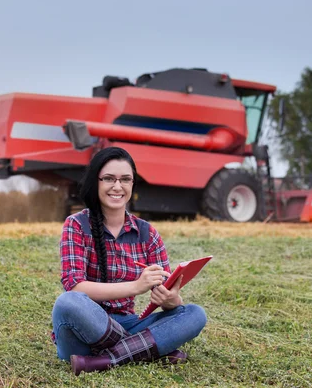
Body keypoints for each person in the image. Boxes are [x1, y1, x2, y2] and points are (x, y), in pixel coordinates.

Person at [50, 146, 207, 376]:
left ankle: (103, 360)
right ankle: (147, 349)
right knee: (67, 303)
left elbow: (167, 295)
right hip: (84, 329)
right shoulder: (76, 225)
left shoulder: (147, 233)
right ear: (97, 182)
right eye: (109, 179)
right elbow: (75, 286)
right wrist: (136, 286)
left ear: (132, 185)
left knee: (194, 314)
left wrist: (171, 299)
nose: (117, 186)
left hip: (129, 322)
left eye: (125, 179)